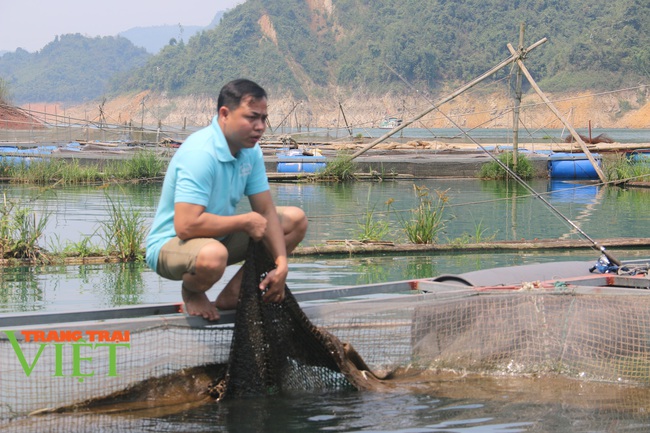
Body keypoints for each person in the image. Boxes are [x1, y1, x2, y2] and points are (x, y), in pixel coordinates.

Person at [145, 79, 307, 321]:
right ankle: (192, 290)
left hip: (217, 239)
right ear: (225, 114)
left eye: (264, 118)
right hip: (172, 245)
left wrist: (281, 264)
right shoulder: (200, 154)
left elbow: (265, 211)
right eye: (251, 117)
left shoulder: (251, 152)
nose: (260, 126)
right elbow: (186, 226)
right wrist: (243, 222)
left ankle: (236, 293)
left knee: (295, 220)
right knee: (213, 256)